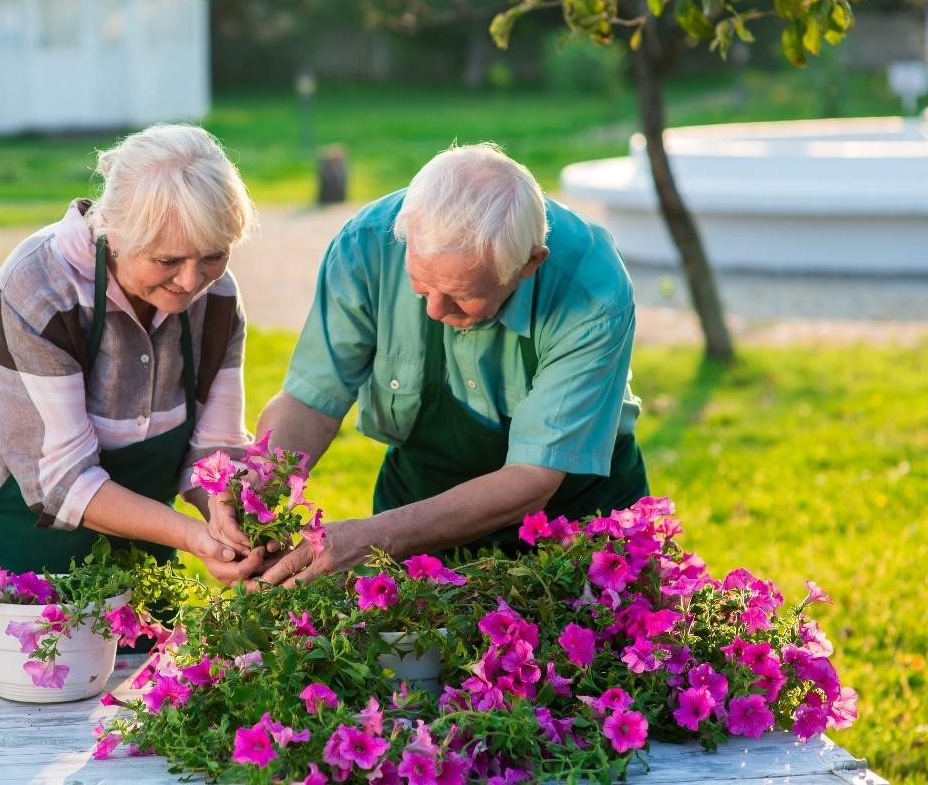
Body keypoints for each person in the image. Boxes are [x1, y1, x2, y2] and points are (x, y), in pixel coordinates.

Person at [0, 124, 264, 662]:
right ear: (113, 233)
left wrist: (223, 513)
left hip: (132, 536)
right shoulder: (40, 286)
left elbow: (214, 450)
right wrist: (191, 537)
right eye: (167, 261)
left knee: (138, 721)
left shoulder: (217, 297)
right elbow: (63, 482)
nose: (191, 282)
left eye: (212, 255)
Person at [211, 142, 647, 585]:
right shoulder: (368, 244)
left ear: (530, 263)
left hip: (573, 521)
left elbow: (532, 477)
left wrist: (373, 536)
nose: (436, 311)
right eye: (421, 287)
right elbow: (311, 400)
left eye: (463, 295)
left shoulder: (591, 290)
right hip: (420, 505)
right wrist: (258, 488)